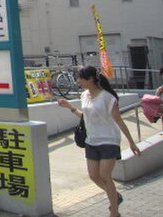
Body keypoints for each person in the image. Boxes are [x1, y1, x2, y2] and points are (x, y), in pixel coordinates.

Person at [58, 66, 141, 217]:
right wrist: (70, 107)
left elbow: (119, 120)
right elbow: (86, 117)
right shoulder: (84, 95)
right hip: (91, 141)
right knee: (93, 176)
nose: (78, 80)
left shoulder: (107, 97)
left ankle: (114, 212)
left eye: (80, 77)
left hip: (109, 140)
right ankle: (115, 196)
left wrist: (131, 142)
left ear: (90, 79)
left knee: (105, 176)